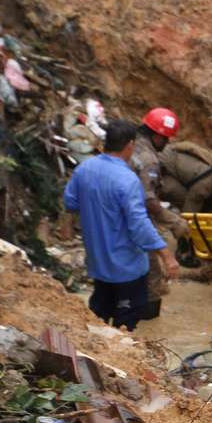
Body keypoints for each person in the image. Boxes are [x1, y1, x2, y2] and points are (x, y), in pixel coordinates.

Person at [63, 120, 178, 331]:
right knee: (125, 326)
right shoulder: (127, 180)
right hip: (127, 269)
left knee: (98, 318)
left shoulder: (84, 169)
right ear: (129, 145)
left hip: (98, 264)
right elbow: (139, 225)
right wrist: (166, 255)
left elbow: (70, 203)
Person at [130, 107, 189, 319]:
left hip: (117, 218)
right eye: (166, 139)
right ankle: (147, 325)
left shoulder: (130, 146)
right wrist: (172, 221)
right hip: (137, 220)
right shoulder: (149, 160)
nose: (168, 144)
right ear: (157, 136)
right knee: (153, 273)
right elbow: (148, 200)